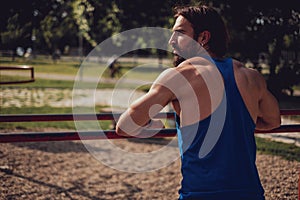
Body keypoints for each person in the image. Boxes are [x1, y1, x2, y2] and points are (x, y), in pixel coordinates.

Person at [116, 4, 281, 200]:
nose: (171, 41)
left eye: (179, 33)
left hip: (200, 194)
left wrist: (153, 126)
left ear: (203, 38)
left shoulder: (178, 77)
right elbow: (273, 121)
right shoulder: (251, 77)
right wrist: (238, 126)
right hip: (250, 193)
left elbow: (125, 126)